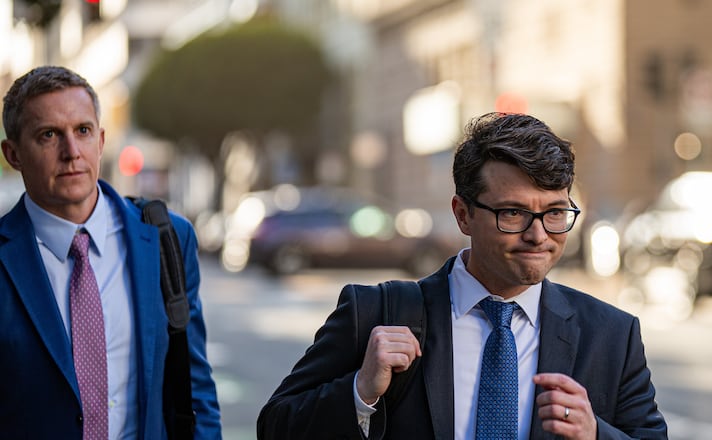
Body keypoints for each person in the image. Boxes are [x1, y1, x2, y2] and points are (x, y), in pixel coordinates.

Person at [257, 112, 667, 439]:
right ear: (462, 214)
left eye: (555, 213)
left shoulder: (612, 334)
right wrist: (360, 392)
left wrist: (595, 434)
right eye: (514, 213)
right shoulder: (376, 312)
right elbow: (275, 426)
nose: (538, 235)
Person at [0, 65, 222, 438]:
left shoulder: (168, 239)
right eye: (49, 135)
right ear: (14, 154)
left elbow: (194, 386)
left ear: (101, 141)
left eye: (82, 131)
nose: (71, 152)